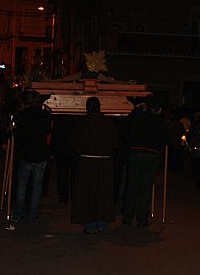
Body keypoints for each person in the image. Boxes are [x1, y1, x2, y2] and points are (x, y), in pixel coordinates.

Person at [70, 97, 119, 234]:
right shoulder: (108, 123)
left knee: (88, 194)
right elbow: (115, 143)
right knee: (103, 193)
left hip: (87, 163)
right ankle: (101, 223)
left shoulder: (82, 123)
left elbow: (73, 142)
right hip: (103, 163)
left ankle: (90, 225)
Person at [122, 97, 170, 227]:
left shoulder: (137, 118)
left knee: (132, 186)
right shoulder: (160, 122)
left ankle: (127, 217)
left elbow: (126, 126)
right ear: (159, 110)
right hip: (151, 156)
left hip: (135, 153)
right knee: (145, 188)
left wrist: (136, 110)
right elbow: (166, 139)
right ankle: (142, 219)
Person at [12, 91, 52, 225]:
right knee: (36, 187)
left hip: (26, 153)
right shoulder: (45, 115)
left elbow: (16, 132)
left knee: (22, 185)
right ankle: (32, 216)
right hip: (40, 154)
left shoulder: (22, 115)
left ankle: (18, 214)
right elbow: (47, 130)